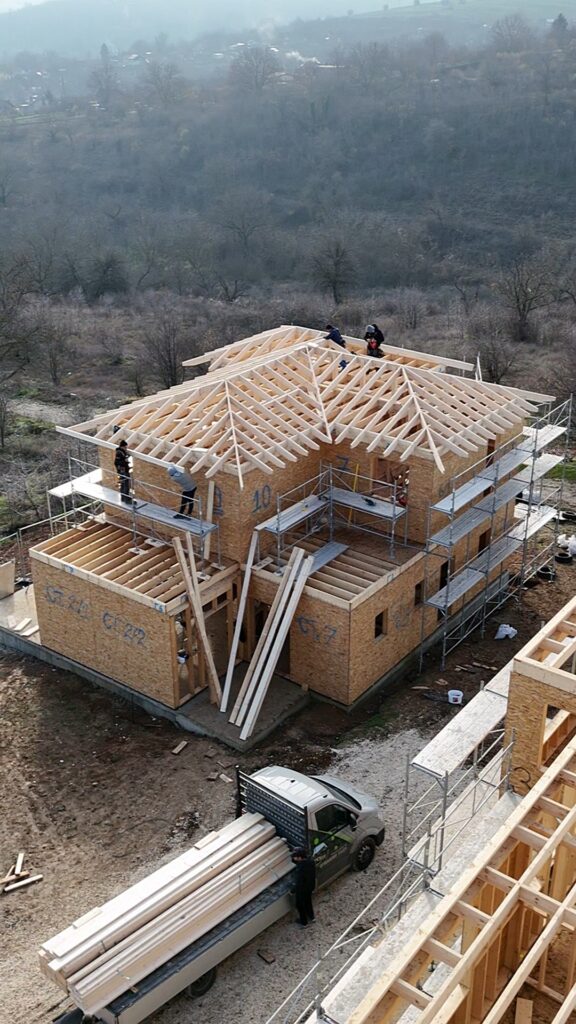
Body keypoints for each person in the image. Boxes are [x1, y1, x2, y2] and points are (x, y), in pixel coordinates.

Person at [292, 848, 316, 927]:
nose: (294, 858)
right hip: (310, 886)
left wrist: (293, 890)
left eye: (295, 857)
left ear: (299, 858)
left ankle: (303, 922)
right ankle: (311, 917)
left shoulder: (301, 868)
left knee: (299, 904)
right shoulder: (311, 862)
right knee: (308, 902)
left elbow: (299, 882)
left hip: (302, 889)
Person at [114, 440, 132, 504]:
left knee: (124, 484)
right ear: (122, 446)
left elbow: (123, 458)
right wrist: (125, 462)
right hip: (123, 471)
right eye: (125, 447)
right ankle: (126, 499)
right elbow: (117, 462)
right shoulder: (119, 453)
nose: (126, 448)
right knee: (125, 485)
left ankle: (124, 497)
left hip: (124, 470)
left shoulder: (122, 452)